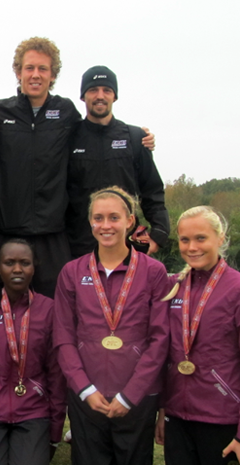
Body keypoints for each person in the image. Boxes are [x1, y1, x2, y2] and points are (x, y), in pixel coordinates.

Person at [0, 37, 155, 298]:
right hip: (6, 231)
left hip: (53, 235)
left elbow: (97, 132)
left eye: (43, 69)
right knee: (3, 308)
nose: (35, 75)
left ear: (53, 75)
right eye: (29, 68)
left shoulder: (66, 112)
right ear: (18, 72)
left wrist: (138, 137)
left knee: (57, 307)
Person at [53, 186, 169, 465]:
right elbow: (63, 337)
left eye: (114, 218)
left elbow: (160, 339)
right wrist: (84, 389)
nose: (106, 225)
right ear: (90, 221)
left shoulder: (154, 271)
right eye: (98, 218)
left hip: (136, 397)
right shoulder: (72, 271)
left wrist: (130, 396)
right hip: (87, 397)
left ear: (130, 221)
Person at [0, 238, 66, 465]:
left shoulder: (49, 309)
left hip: (34, 411)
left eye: (25, 263)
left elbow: (56, 373)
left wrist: (56, 428)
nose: (17, 269)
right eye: (9, 262)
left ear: (34, 267)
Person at [155, 206, 240, 464]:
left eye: (200, 238)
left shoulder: (236, 288)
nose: (192, 247)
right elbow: (163, 353)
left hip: (222, 417)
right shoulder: (173, 287)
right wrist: (162, 410)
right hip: (177, 416)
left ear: (220, 238)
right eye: (184, 239)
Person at [66, 65, 169, 258]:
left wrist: (159, 234)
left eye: (107, 90)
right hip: (78, 247)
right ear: (83, 96)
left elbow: (152, 191)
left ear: (114, 96)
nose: (100, 96)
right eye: (93, 90)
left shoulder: (134, 137)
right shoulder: (67, 138)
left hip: (126, 245)